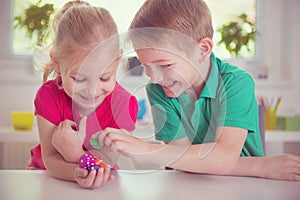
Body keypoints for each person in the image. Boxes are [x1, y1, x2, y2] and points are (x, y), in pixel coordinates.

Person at [94, 0, 300, 181]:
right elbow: (183, 162)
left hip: (245, 187)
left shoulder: (237, 83)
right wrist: (260, 166)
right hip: (192, 188)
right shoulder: (159, 90)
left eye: (165, 65)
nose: (154, 78)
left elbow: (222, 158)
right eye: (145, 65)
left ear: (203, 49)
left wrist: (146, 150)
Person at [26, 1, 138, 188]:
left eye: (104, 77)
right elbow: (50, 159)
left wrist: (75, 154)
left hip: (102, 179)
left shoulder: (123, 104)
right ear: (57, 62)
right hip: (48, 176)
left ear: (117, 61)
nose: (92, 91)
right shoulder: (48, 97)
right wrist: (75, 173)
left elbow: (107, 161)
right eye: (79, 79)